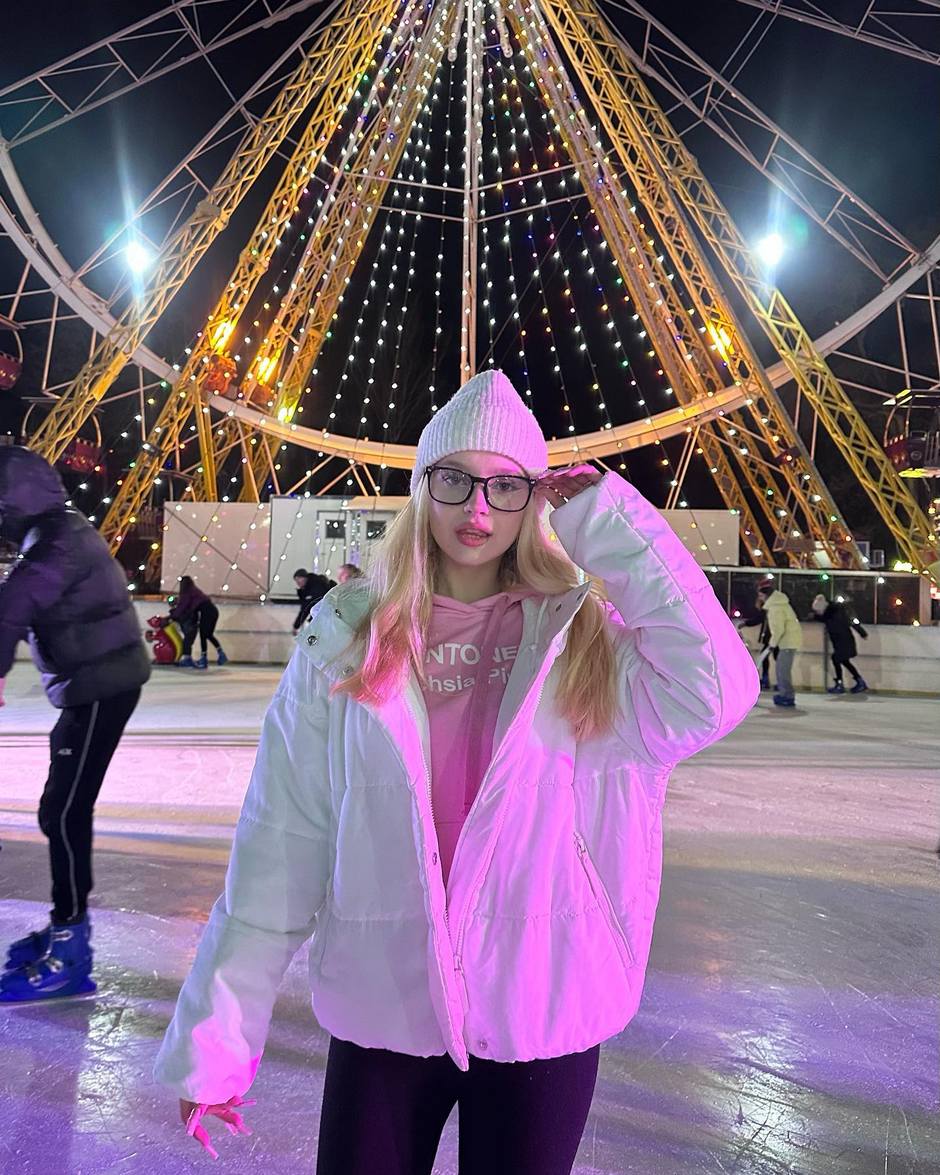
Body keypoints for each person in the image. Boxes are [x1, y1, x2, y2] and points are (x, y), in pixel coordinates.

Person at [154, 370, 759, 1173]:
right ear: (422, 488)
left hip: (539, 1001)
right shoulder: (345, 636)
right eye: (454, 479)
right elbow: (280, 844)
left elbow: (716, 691)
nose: (478, 508)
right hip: (386, 1001)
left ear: (534, 498)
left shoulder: (585, 639)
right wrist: (215, 1040)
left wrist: (609, 523)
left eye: (506, 485)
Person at [0, 446, 151, 1002]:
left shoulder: (56, 544)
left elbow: (10, 607)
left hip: (100, 687)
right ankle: (69, 925)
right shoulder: (61, 530)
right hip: (99, 684)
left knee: (62, 812)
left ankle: (70, 946)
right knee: (61, 809)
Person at [810, 594, 869, 694]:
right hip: (841, 641)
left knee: (837, 659)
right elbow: (825, 618)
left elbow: (851, 622)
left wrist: (862, 633)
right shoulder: (832, 613)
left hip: (843, 640)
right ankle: (858, 681)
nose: (818, 613)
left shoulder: (835, 613)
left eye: (818, 611)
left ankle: (841, 684)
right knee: (843, 661)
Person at [169, 575, 227, 669]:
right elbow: (188, 606)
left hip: (207, 612)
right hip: (212, 611)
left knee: (203, 635)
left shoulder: (188, 592)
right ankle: (220, 654)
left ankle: (204, 659)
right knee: (208, 634)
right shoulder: (194, 590)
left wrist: (172, 616)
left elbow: (183, 606)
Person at [762, 581, 802, 708]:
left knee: (782, 670)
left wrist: (772, 644)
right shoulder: (780, 604)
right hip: (788, 641)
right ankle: (786, 694)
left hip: (787, 643)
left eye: (761, 595)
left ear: (766, 596)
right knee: (782, 669)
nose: (760, 598)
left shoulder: (776, 609)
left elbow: (778, 629)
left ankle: (787, 696)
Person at [737, 583, 775, 690]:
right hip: (770, 636)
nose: (760, 598)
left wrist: (745, 623)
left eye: (761, 596)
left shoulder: (770, 607)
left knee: (767, 658)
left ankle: (767, 679)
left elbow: (759, 618)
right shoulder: (768, 606)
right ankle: (766, 679)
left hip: (773, 637)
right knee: (766, 658)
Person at [291, 568, 335, 633]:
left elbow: (306, 608)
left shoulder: (315, 585)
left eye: (299, 579)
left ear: (305, 578)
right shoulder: (308, 589)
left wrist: (296, 626)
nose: (297, 582)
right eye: (296, 580)